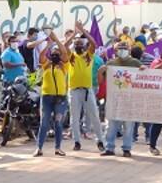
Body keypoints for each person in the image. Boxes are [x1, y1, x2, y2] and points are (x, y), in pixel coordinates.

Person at [99, 43, 141, 157]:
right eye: (120, 49)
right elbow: (101, 80)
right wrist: (100, 71)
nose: (122, 50)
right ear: (116, 51)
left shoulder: (135, 63)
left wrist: (143, 69)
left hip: (129, 99)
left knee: (128, 126)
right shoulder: (111, 63)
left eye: (125, 48)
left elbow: (144, 76)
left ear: (129, 50)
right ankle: (109, 148)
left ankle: (127, 149)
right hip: (114, 99)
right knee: (111, 125)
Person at [67, 23, 103, 151]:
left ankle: (100, 140)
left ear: (84, 46)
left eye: (80, 44)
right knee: (75, 118)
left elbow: (94, 43)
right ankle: (77, 141)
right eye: (76, 45)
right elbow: (65, 47)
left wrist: (83, 31)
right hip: (74, 91)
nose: (78, 46)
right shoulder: (71, 56)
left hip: (88, 90)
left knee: (94, 116)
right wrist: (73, 36)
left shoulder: (89, 55)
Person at [36, 34, 69, 156]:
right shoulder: (46, 65)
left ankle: (58, 148)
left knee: (58, 123)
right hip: (46, 98)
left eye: (57, 53)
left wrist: (56, 40)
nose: (55, 55)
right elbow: (41, 56)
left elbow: (65, 53)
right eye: (53, 53)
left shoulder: (64, 66)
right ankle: (39, 148)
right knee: (44, 123)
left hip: (60, 98)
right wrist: (49, 45)